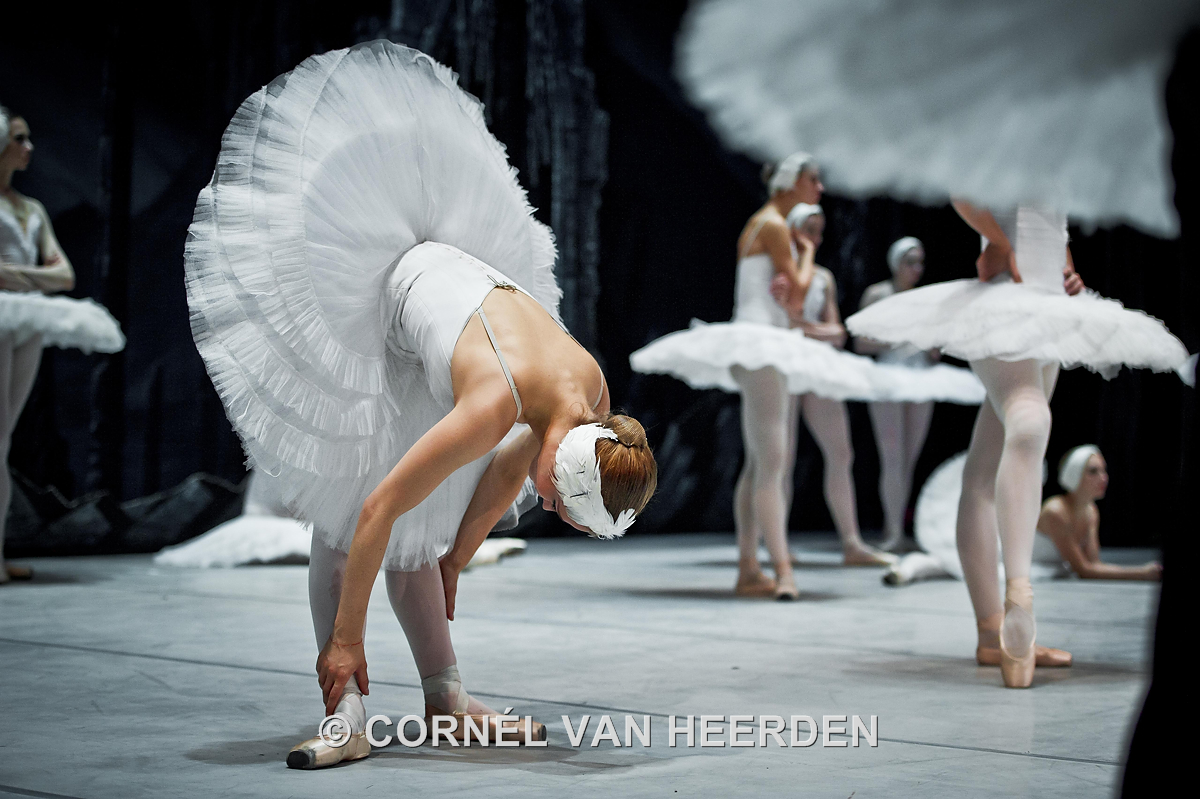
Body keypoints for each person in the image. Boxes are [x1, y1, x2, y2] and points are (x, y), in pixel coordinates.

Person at [183, 42, 657, 769]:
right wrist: (348, 641)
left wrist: (458, 556)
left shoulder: (591, 395)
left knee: (427, 534)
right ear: (567, 470)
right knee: (345, 519)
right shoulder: (494, 403)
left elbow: (514, 463)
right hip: (375, 305)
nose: (549, 510)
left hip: (452, 309)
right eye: (561, 505)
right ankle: (345, 711)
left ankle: (447, 702)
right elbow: (378, 509)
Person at [848, 203, 1187, 687]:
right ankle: (1017, 608)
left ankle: (992, 633)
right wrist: (1001, 243)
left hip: (1049, 302)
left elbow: (1050, 221)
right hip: (1007, 297)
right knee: (1029, 420)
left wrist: (1065, 265)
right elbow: (964, 186)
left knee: (984, 469)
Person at [632, 154, 891, 602]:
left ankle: (750, 569)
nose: (820, 188)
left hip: (763, 345)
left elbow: (790, 299)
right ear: (791, 183)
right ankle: (782, 571)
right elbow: (800, 296)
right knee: (772, 463)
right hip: (761, 346)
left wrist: (793, 280)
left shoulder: (766, 225)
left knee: (759, 465)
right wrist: (805, 253)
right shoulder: (772, 225)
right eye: (813, 180)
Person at [0, 106, 123, 585]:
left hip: (25, 315)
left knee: (5, 439)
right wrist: (35, 277)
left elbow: (64, 274)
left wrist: (13, 275)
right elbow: (49, 274)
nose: (28, 148)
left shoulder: (31, 209)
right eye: (19, 138)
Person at [856, 237, 985, 551]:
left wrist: (931, 345)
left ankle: (899, 528)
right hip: (889, 376)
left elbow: (933, 350)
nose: (916, 269)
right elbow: (861, 343)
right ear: (895, 263)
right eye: (910, 262)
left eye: (920, 262)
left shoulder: (925, 299)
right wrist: (901, 338)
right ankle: (891, 531)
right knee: (892, 457)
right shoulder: (878, 294)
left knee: (908, 459)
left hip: (921, 378)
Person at [1037, 445, 1162, 581]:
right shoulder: (1055, 511)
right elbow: (1084, 570)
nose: (1103, 478)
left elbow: (1094, 564)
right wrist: (1142, 573)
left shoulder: (1090, 511)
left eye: (1104, 470)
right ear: (1074, 474)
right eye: (1093, 471)